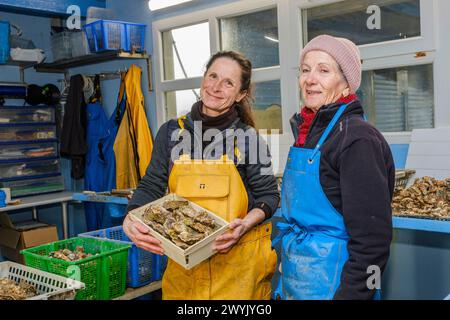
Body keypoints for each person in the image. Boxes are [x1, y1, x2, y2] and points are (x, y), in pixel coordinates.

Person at [123, 51, 279, 300]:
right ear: (203, 79)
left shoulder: (248, 139)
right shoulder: (171, 132)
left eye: (228, 82)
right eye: (213, 76)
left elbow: (269, 196)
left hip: (237, 268)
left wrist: (245, 225)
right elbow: (152, 184)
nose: (216, 87)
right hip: (184, 268)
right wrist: (132, 215)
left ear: (241, 94)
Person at [273, 35, 395, 300]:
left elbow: (373, 243)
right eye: (305, 70)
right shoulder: (308, 133)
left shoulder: (358, 139)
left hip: (336, 286)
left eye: (324, 70)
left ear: (346, 83)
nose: (310, 79)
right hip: (298, 278)